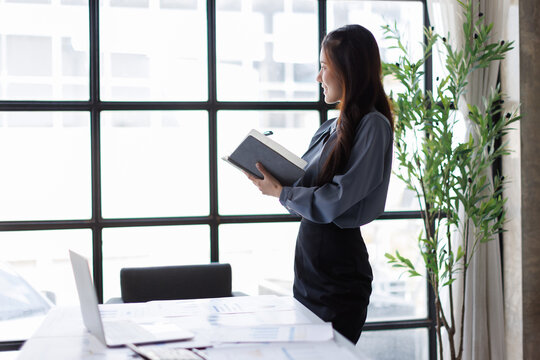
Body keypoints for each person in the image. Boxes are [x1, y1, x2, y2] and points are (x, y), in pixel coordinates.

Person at [245, 24, 394, 344]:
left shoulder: (373, 126)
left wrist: (284, 193)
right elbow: (304, 189)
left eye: (324, 67)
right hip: (309, 272)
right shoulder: (330, 127)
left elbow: (337, 199)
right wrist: (273, 179)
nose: (318, 77)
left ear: (348, 71)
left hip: (339, 276)